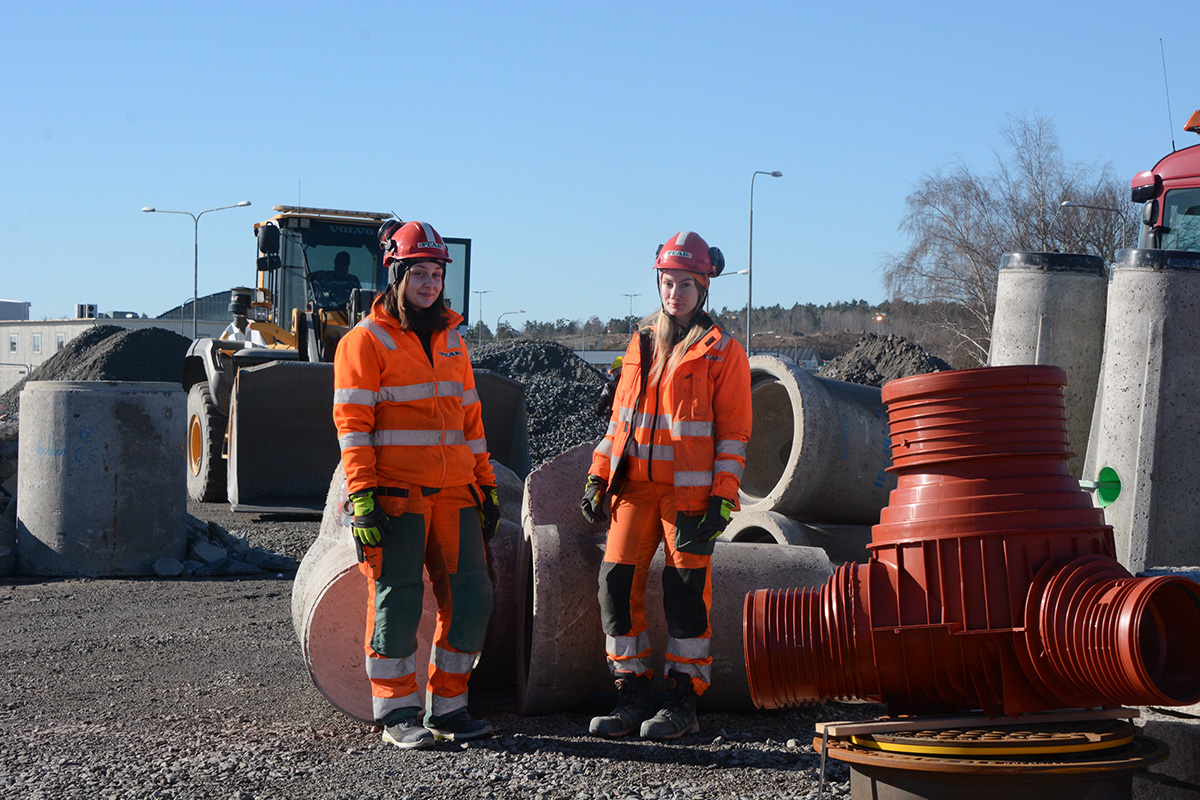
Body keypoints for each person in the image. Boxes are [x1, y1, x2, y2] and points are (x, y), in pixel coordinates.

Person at [333, 220, 500, 751]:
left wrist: (486, 484)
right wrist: (362, 498)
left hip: (456, 494)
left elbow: (471, 421)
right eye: (420, 273)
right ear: (397, 275)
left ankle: (449, 706)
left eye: (436, 274)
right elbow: (352, 427)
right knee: (398, 600)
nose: (430, 283)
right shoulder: (365, 341)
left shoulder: (453, 341)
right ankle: (397, 711)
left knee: (473, 596)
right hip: (395, 496)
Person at [581, 231, 751, 741]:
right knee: (615, 589)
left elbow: (734, 435)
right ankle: (630, 693)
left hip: (689, 499)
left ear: (704, 287)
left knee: (685, 598)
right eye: (667, 283)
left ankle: (682, 701)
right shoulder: (640, 344)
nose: (675, 293)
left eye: (685, 284)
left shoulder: (724, 352)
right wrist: (597, 474)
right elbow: (620, 422)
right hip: (633, 489)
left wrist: (722, 497)